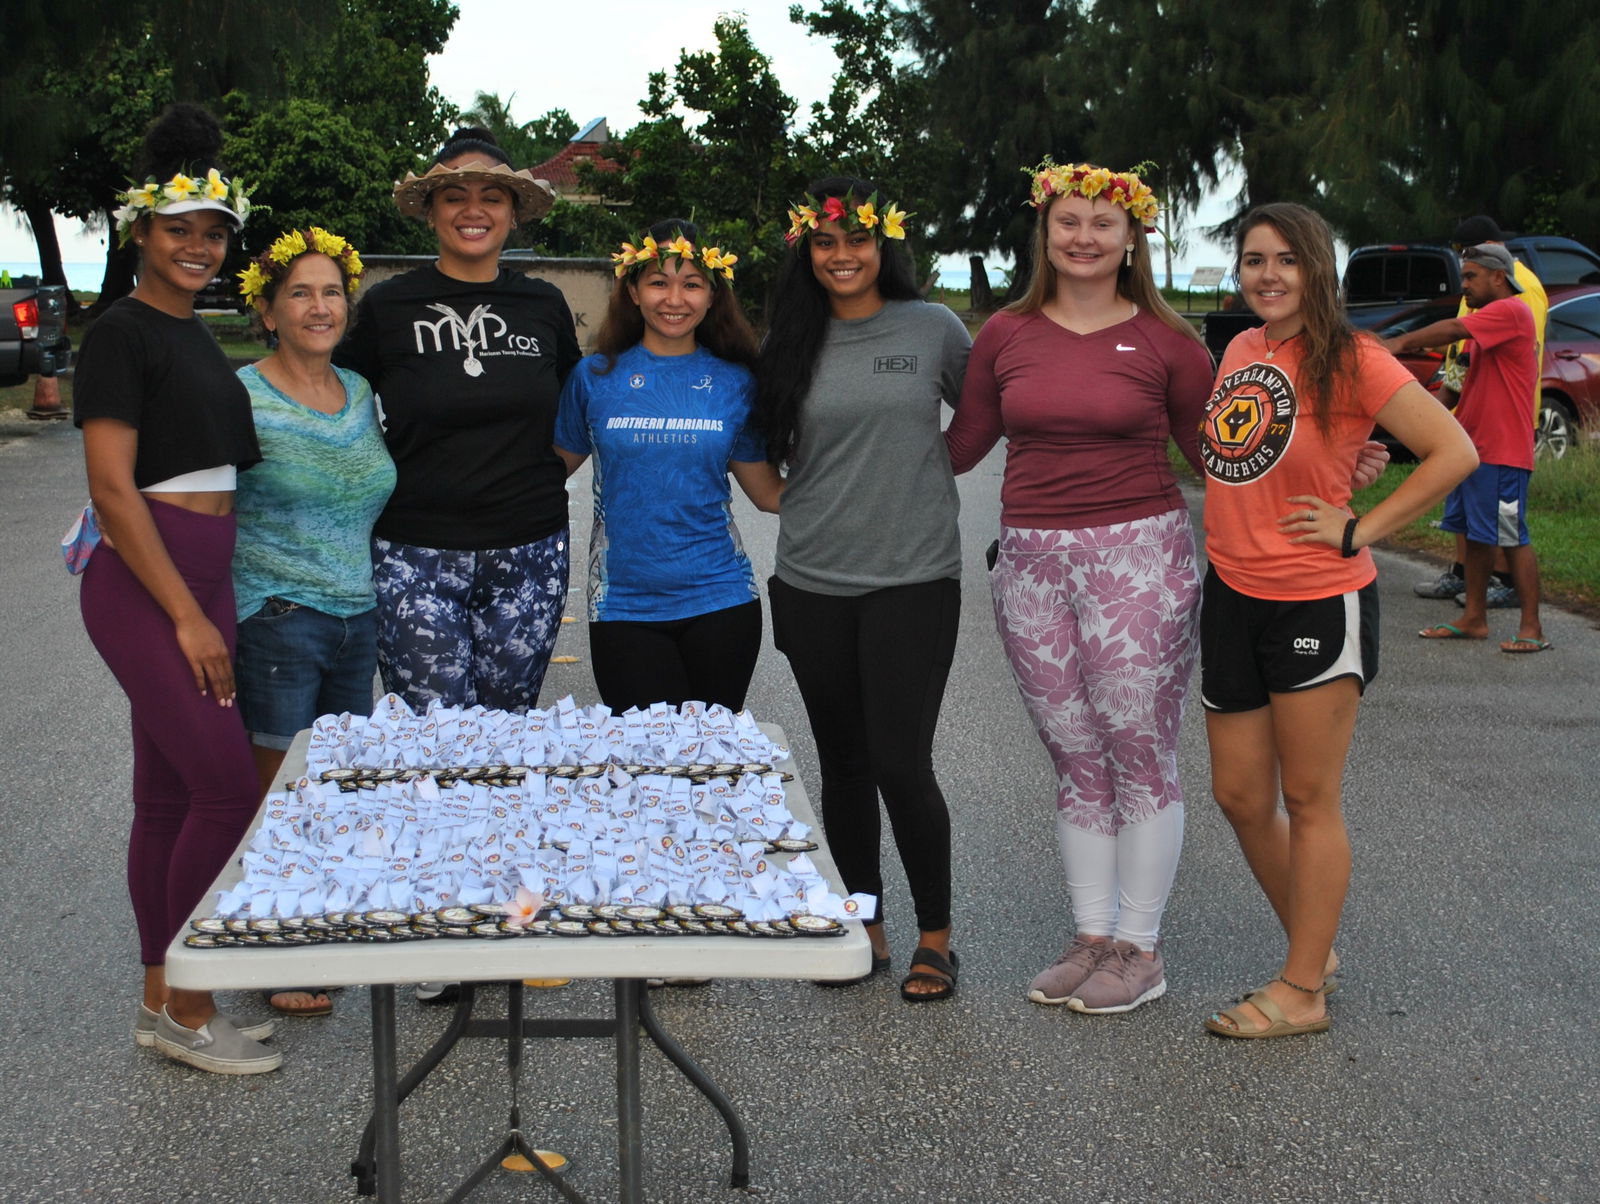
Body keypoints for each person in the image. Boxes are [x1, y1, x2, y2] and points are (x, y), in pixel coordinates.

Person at [1198, 203, 1477, 1038]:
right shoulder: (1243, 348)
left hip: (1317, 597)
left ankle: (1302, 989)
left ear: (1319, 269)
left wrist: (1360, 527)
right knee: (1242, 795)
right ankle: (1314, 950)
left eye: (1287, 259)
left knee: (1311, 797)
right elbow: (1256, 452)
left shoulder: (1354, 356)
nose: (1268, 275)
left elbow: (1455, 451)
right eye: (1254, 259)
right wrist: (1343, 458)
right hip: (1231, 590)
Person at [943, 161, 1214, 1014]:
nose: (1085, 236)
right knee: (1073, 752)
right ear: (1045, 232)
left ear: (1132, 235)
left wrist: (1330, 469)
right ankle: (1091, 934)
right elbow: (958, 449)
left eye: (1104, 221)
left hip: (1139, 557)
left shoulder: (1171, 343)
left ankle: (1142, 947)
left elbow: (1223, 456)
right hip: (1030, 563)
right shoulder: (1005, 335)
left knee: (1138, 751)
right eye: (1069, 221)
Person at [75, 103, 280, 1073]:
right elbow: (112, 489)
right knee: (227, 788)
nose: (198, 246)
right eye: (179, 229)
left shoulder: (197, 332)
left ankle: (160, 997)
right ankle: (193, 1010)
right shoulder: (121, 331)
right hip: (148, 581)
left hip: (206, 575)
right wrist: (189, 614)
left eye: (213, 232)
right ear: (141, 232)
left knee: (163, 799)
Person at [756, 176, 970, 1001]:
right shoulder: (787, 344)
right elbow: (758, 450)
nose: (842, 256)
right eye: (824, 243)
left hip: (912, 581)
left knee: (900, 762)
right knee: (841, 766)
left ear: (884, 246)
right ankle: (865, 925)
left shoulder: (932, 329)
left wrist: (929, 477)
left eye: (856, 241)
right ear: (805, 254)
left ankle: (938, 938)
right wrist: (780, 497)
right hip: (811, 582)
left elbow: (986, 413)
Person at [335, 127, 580, 716]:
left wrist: (546, 473)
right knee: (431, 741)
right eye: (455, 196)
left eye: (492, 197)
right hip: (414, 554)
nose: (474, 210)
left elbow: (581, 405)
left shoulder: (544, 305)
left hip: (529, 554)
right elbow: (326, 396)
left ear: (514, 214)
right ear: (431, 214)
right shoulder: (389, 307)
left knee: (506, 735)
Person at [233, 226, 396, 1017]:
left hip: (355, 614)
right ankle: (273, 942)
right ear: (266, 310)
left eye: (332, 291)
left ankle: (314, 923)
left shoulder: (363, 394)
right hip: (278, 614)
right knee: (277, 787)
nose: (319, 305)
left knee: (331, 787)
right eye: (299, 292)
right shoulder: (244, 395)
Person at [553, 219, 781, 713]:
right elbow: (549, 472)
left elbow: (767, 494)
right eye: (658, 281)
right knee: (646, 770)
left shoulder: (736, 382)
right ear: (632, 291)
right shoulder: (594, 377)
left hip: (722, 600)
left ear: (712, 295)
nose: (674, 298)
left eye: (692, 284)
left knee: (711, 770)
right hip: (622, 606)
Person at [1385, 243, 1549, 652]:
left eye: (1472, 276)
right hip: (1472, 452)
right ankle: (1474, 618)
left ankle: (1533, 627)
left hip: (1503, 452)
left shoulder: (1513, 312)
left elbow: (1453, 330)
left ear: (1498, 277)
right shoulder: (1482, 328)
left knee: (1511, 537)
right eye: (1463, 277)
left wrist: (1398, 343)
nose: (1464, 286)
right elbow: (1453, 386)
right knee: (1476, 537)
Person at [1414, 215, 1548, 608]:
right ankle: (1467, 589)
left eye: (1466, 263)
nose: (1464, 279)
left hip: (1505, 428)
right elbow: (1463, 358)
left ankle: (1512, 594)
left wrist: (1393, 344)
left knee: (1507, 530)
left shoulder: (1520, 293)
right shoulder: (1478, 286)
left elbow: (1518, 349)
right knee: (1473, 524)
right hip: (1470, 432)